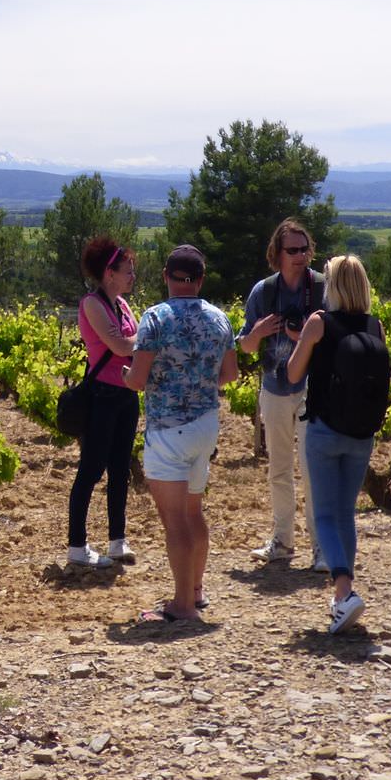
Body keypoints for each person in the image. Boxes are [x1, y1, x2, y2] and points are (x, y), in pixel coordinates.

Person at [124, 245, 239, 622]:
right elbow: (230, 374)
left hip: (168, 429)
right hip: (205, 424)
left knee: (175, 521)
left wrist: (125, 377)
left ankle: (182, 607)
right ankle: (196, 591)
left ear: (166, 277)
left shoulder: (155, 318)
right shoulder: (219, 318)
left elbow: (138, 380)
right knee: (194, 512)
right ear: (201, 279)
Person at [283, 254, 385, 634]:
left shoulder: (318, 322)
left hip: (324, 429)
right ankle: (347, 592)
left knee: (323, 514)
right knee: (345, 513)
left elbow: (294, 373)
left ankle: (343, 594)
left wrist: (303, 343)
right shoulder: (376, 325)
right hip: (362, 433)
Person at [238, 218, 327, 569]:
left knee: (312, 469)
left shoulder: (321, 288)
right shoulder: (264, 292)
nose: (301, 256)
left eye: (305, 249)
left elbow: (335, 340)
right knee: (279, 468)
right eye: (293, 250)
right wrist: (258, 332)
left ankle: (321, 547)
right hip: (274, 387)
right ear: (277, 253)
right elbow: (244, 347)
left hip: (312, 389)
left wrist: (303, 338)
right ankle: (283, 541)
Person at [67, 236, 141, 569]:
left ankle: (117, 540)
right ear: (109, 273)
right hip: (102, 397)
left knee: (120, 469)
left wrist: (140, 338)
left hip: (126, 394)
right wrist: (147, 333)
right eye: (128, 270)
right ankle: (77, 546)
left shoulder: (121, 305)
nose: (132, 277)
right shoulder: (91, 304)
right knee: (91, 470)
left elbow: (133, 341)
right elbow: (123, 345)